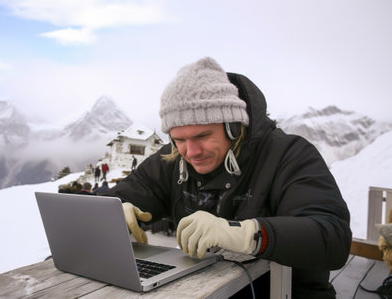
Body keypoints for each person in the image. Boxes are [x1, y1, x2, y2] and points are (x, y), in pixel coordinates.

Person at [105, 57, 352, 298]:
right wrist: (113, 209)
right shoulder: (174, 159)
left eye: (202, 136)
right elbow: (114, 198)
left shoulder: (289, 155)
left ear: (234, 126)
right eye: (179, 139)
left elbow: (333, 238)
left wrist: (243, 233)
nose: (191, 152)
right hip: (208, 290)